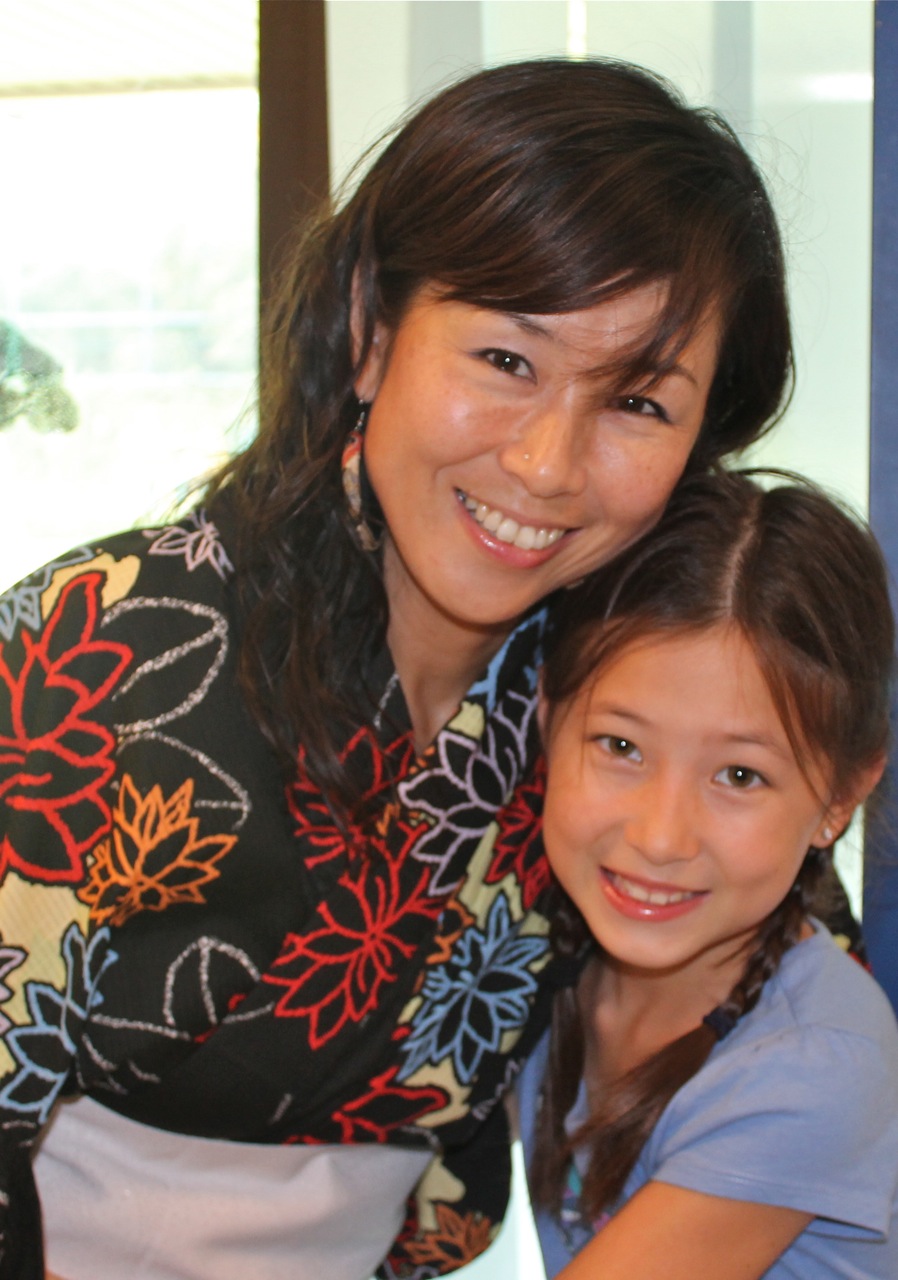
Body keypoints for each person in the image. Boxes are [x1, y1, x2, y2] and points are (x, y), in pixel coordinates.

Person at [0, 58, 793, 1280]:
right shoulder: (104, 644)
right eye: (505, 360)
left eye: (637, 402)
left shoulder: (615, 701)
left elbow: (779, 955)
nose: (545, 464)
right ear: (373, 333)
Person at [519, 469, 898, 1279]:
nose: (660, 837)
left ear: (839, 798)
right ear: (547, 720)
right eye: (621, 746)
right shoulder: (539, 966)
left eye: (739, 776)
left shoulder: (816, 1064)